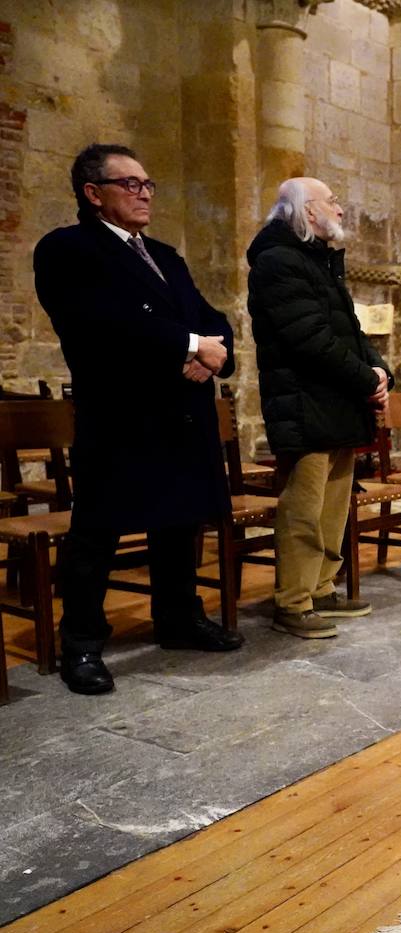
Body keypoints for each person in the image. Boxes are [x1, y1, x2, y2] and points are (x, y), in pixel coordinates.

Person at [33, 143, 243, 694]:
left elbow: (210, 316)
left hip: (181, 410)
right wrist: (194, 343)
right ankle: (81, 641)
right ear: (93, 193)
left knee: (179, 521)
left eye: (148, 184)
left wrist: (207, 350)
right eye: (131, 184)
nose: (145, 193)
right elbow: (100, 323)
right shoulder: (68, 249)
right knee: (98, 531)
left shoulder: (165, 255)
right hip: (122, 412)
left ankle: (176, 617)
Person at [247, 178, 392, 639]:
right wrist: (365, 378)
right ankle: (293, 601)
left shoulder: (318, 260)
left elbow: (349, 330)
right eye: (332, 202)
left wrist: (380, 370)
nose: (341, 210)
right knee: (303, 510)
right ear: (307, 211)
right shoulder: (278, 263)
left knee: (333, 507)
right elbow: (310, 340)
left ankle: (323, 587)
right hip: (305, 403)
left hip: (336, 402)